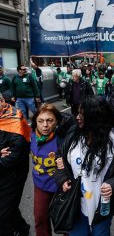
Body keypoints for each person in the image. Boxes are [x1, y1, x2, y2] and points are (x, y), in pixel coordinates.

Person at [54, 96, 114, 235]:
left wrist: (113, 183)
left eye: (82, 114)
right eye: (78, 113)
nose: (77, 117)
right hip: (76, 202)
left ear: (96, 117)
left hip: (102, 204)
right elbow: (60, 157)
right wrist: (62, 179)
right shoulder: (73, 133)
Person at [28, 104, 75, 236]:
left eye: (50, 120)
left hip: (63, 186)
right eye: (40, 121)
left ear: (57, 121)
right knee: (40, 220)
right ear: (35, 121)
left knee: (66, 221)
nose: (45, 125)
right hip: (41, 185)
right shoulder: (30, 135)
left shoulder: (64, 137)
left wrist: (66, 162)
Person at [0, 92, 31, 235]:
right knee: (8, 206)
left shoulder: (14, 119)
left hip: (14, 173)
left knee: (3, 212)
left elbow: (13, 156)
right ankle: (23, 229)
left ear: (2, 101)